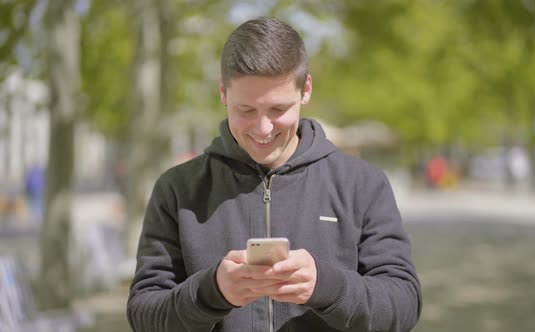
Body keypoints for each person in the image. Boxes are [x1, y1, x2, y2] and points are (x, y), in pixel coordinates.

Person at [127, 17, 422, 332]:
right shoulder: (177, 190)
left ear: (305, 90)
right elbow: (144, 314)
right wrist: (210, 292)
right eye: (246, 110)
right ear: (223, 92)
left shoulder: (364, 185)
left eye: (278, 109)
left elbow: (403, 305)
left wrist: (326, 286)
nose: (263, 129)